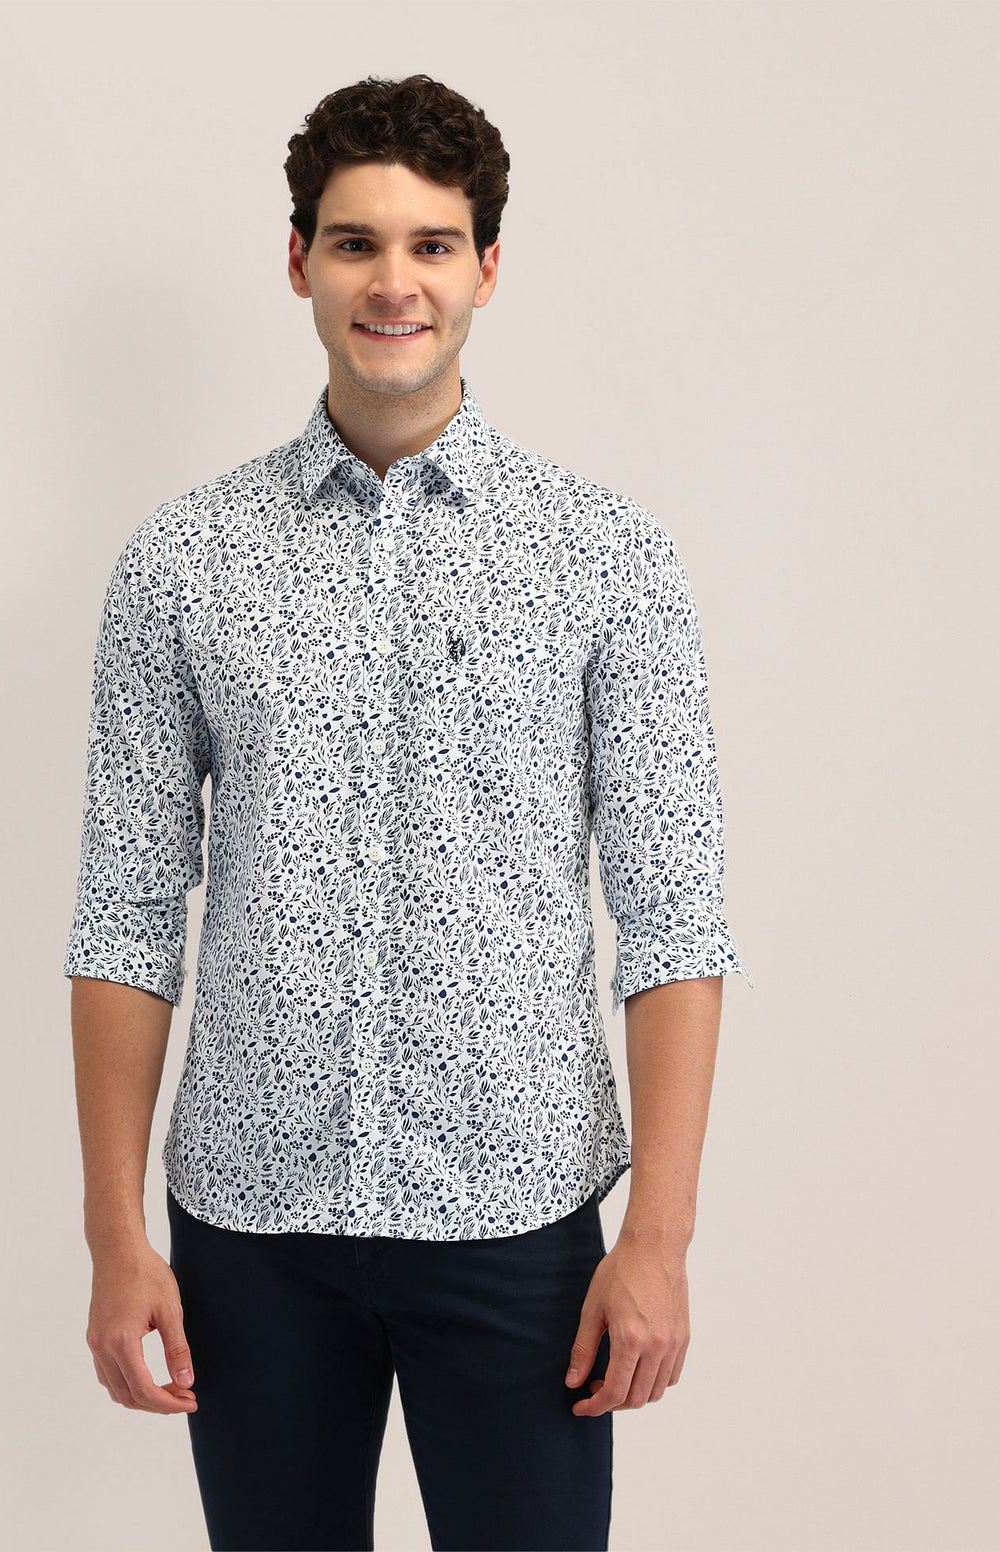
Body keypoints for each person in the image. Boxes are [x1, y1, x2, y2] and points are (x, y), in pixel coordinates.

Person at [63, 72, 752, 1552]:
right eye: (357, 242)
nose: (395, 282)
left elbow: (675, 919)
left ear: (487, 269)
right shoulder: (183, 562)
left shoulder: (605, 557)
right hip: (250, 1229)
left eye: (433, 245)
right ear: (298, 260)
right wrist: (117, 1237)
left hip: (518, 1221)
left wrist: (659, 1238)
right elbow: (125, 913)